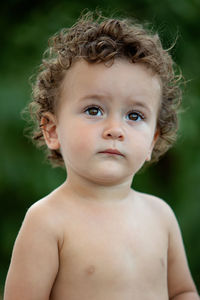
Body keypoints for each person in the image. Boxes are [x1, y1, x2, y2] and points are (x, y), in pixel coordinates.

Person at [4, 11, 199, 300]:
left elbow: (182, 291)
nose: (115, 129)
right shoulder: (47, 221)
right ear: (52, 130)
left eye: (134, 115)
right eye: (94, 110)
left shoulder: (160, 216)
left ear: (152, 141)